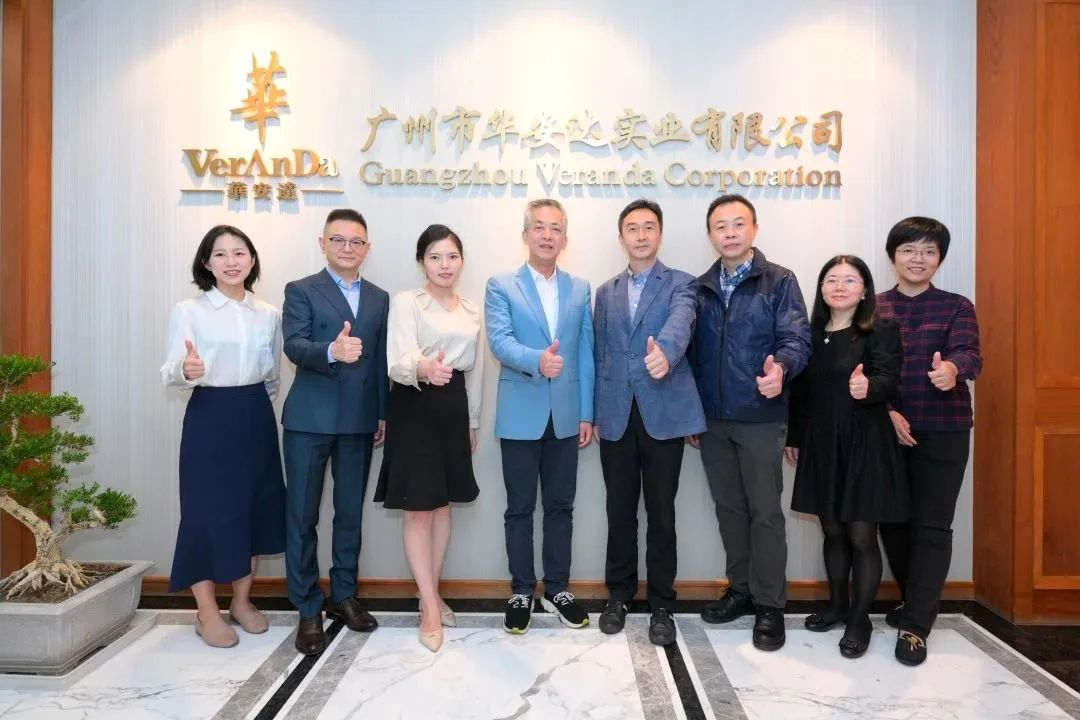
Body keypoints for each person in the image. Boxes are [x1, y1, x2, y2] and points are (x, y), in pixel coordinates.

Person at [688, 193, 811, 652]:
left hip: (760, 416)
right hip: (713, 421)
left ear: (754, 229)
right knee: (729, 510)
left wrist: (782, 367)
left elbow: (797, 338)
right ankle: (739, 589)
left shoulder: (779, 280)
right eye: (721, 226)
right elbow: (692, 354)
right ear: (710, 235)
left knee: (765, 513)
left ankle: (770, 604)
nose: (730, 233)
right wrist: (692, 412)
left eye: (739, 224)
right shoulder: (700, 288)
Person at [160, 224, 286, 648]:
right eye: (220, 254)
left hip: (255, 413)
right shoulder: (190, 311)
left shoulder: (267, 313)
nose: (231, 262)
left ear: (252, 260)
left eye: (239, 253)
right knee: (206, 513)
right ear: (206, 263)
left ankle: (242, 602)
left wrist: (259, 404)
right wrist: (186, 370)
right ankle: (207, 612)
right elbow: (170, 369)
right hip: (210, 415)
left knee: (253, 509)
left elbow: (272, 374)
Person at [592, 199, 705, 647]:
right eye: (632, 228)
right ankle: (618, 596)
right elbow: (601, 354)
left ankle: (662, 604)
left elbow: (682, 322)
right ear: (621, 237)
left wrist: (666, 353)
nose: (641, 236)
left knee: (661, 514)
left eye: (649, 227)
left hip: (664, 414)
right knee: (619, 511)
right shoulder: (606, 291)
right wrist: (593, 414)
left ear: (660, 234)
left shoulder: (682, 282)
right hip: (616, 416)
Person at [785, 255, 905, 658]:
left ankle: (859, 618)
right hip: (821, 442)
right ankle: (837, 604)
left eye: (850, 280)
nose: (840, 287)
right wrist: (795, 437)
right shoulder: (810, 334)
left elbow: (889, 379)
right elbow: (801, 394)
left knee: (861, 535)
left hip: (865, 443)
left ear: (865, 288)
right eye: (831, 280)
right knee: (833, 530)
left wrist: (868, 388)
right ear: (821, 289)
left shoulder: (880, 328)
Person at [281, 208, 389, 656]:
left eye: (356, 241)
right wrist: (332, 350)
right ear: (323, 243)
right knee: (301, 516)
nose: (348, 248)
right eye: (339, 239)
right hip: (309, 419)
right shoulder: (301, 289)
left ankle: (344, 595)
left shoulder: (380, 297)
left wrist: (382, 413)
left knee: (349, 514)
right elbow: (293, 345)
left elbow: (380, 360)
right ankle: (307, 607)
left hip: (359, 420)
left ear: (367, 248)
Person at [485, 198, 595, 634]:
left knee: (561, 506)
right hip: (520, 413)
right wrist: (537, 360)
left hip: (566, 415)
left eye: (555, 229)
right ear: (525, 234)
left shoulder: (580, 288)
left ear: (565, 238)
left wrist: (586, 412)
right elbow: (499, 340)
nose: (547, 235)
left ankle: (558, 588)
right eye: (539, 227)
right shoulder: (501, 285)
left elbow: (585, 352)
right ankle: (521, 590)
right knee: (519, 507)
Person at [876, 216, 982, 666]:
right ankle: (912, 599)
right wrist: (886, 411)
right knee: (892, 522)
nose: (917, 259)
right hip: (886, 430)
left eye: (928, 251)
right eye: (908, 250)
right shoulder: (873, 307)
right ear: (893, 256)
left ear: (939, 258)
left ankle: (916, 626)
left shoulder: (956, 306)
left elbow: (969, 353)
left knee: (932, 527)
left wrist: (952, 370)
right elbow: (860, 370)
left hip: (944, 428)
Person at [374, 224, 482, 653]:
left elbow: (475, 371)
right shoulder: (407, 302)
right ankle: (430, 609)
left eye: (452, 256)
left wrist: (472, 420)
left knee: (442, 506)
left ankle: (429, 594)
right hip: (414, 403)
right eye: (435, 257)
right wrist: (423, 368)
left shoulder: (471, 309)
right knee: (418, 509)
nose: (444, 265)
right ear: (422, 262)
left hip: (453, 405)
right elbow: (397, 359)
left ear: (462, 261)